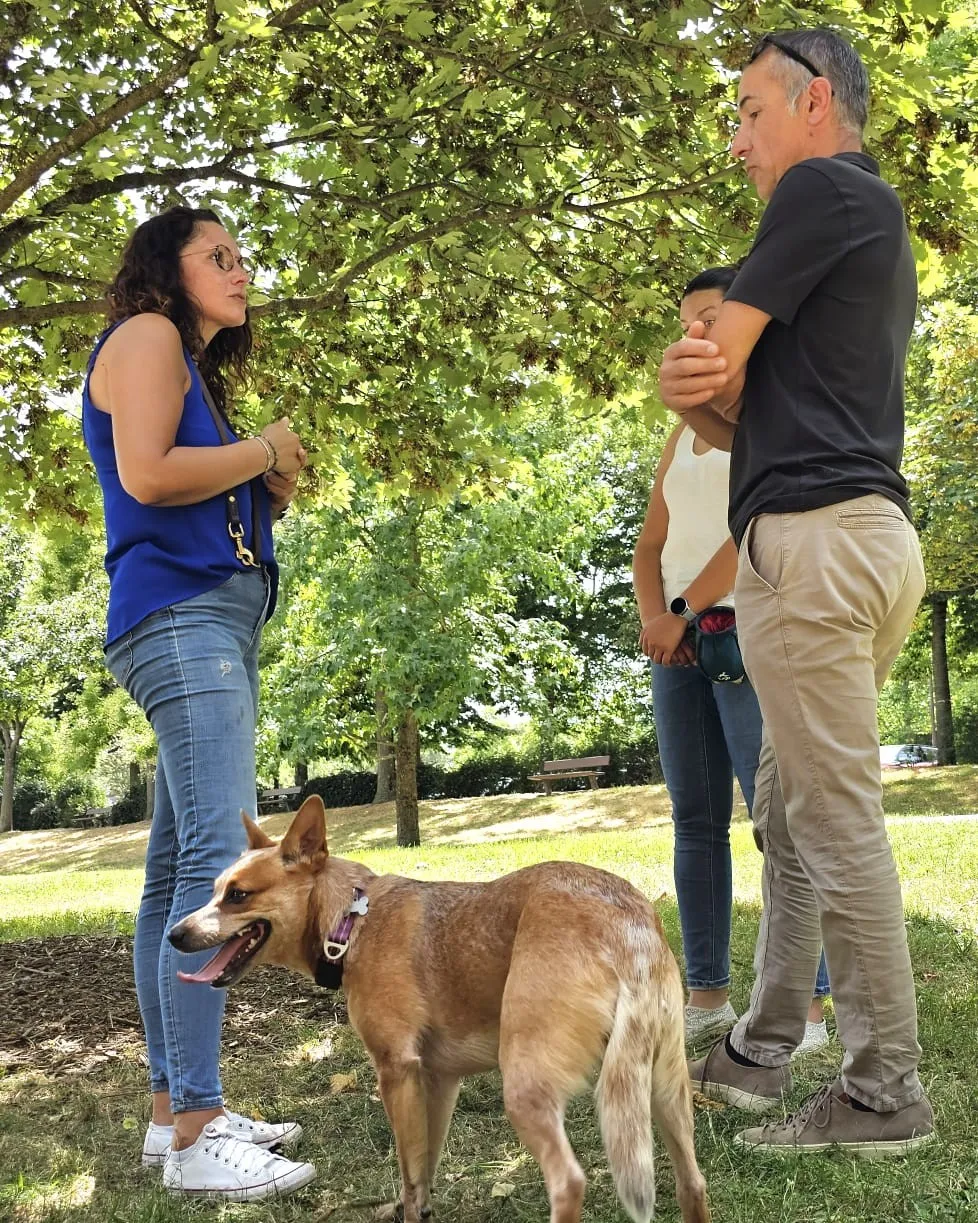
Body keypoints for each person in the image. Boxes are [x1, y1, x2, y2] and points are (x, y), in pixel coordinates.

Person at [657, 28, 934, 1157]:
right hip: (845, 538)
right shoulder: (848, 223)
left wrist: (698, 361)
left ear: (816, 103)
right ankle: (765, 1044)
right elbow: (735, 414)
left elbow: (717, 350)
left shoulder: (823, 186)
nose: (737, 142)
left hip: (817, 550)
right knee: (784, 806)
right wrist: (697, 399)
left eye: (750, 111)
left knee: (830, 816)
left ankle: (882, 1093)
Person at [82, 206, 317, 1199]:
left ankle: (170, 1112)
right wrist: (263, 451)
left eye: (243, 254)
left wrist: (268, 477)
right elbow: (146, 473)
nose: (240, 267)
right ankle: (198, 1130)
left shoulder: (187, 368)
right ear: (164, 270)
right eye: (216, 254)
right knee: (221, 875)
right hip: (182, 623)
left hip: (203, 621)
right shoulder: (145, 336)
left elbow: (198, 485)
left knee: (175, 874)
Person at [633, 266, 830, 1058]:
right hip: (674, 647)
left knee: (776, 818)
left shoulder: (772, 421)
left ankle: (808, 1006)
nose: (697, 335)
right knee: (695, 820)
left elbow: (749, 531)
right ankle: (708, 992)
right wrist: (656, 614)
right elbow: (652, 542)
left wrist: (680, 613)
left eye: (711, 318)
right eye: (686, 324)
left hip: (742, 632)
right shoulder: (682, 431)